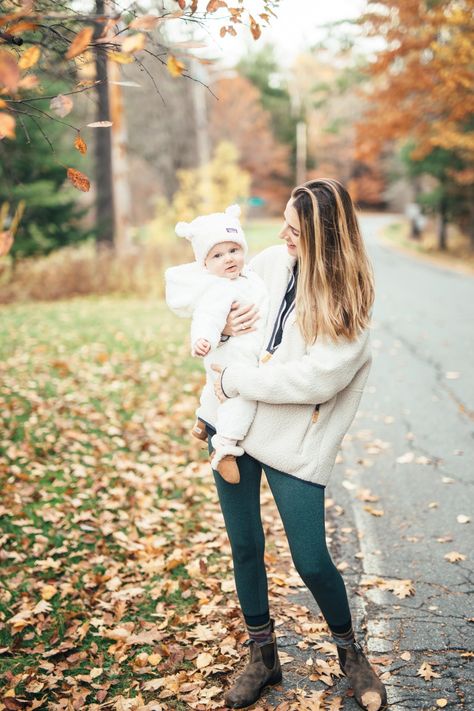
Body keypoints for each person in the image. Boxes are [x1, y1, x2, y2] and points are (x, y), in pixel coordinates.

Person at [203, 179, 387, 710]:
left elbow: (317, 380)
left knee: (310, 559)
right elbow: (218, 327)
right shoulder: (264, 263)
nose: (282, 233)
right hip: (232, 428)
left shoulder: (348, 300)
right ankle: (263, 654)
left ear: (325, 237)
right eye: (283, 220)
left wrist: (238, 383)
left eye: (295, 228)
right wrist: (218, 338)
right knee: (245, 548)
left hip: (293, 438)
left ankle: (350, 653)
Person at [165, 204, 268, 485]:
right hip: (231, 357)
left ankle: (203, 420)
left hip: (238, 355)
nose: (229, 259)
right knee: (242, 401)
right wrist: (204, 339)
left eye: (234, 250)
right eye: (218, 255)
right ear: (206, 264)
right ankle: (226, 448)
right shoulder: (219, 287)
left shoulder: (250, 278)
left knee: (214, 389)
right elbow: (207, 317)